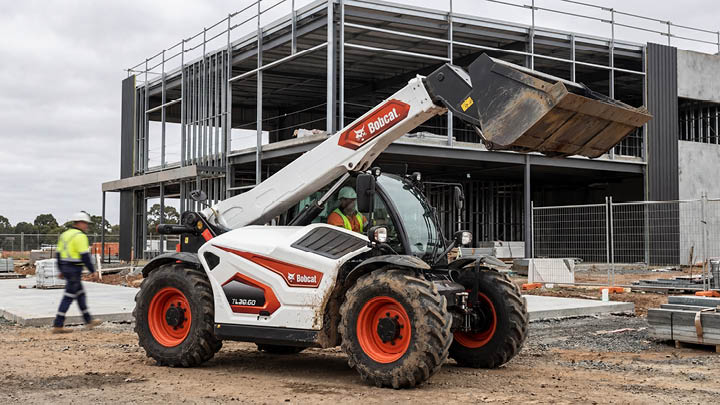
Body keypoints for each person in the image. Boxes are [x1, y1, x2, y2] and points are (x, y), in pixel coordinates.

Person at [52, 212, 102, 333]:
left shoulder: (64, 235)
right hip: (74, 270)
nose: (87, 226)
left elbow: (58, 254)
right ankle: (58, 324)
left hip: (66, 268)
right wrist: (93, 271)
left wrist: (61, 269)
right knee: (68, 296)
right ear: (79, 223)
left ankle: (88, 320)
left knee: (80, 295)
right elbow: (85, 256)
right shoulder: (80, 236)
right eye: (85, 223)